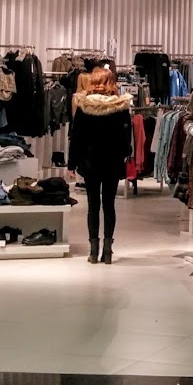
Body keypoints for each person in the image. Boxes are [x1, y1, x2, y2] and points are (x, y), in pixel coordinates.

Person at [67, 67, 132, 265]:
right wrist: (125, 155)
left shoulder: (85, 107)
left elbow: (76, 137)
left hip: (90, 162)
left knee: (93, 205)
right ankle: (108, 251)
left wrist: (72, 163)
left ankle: (93, 251)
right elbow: (126, 138)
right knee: (109, 205)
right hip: (113, 161)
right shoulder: (120, 107)